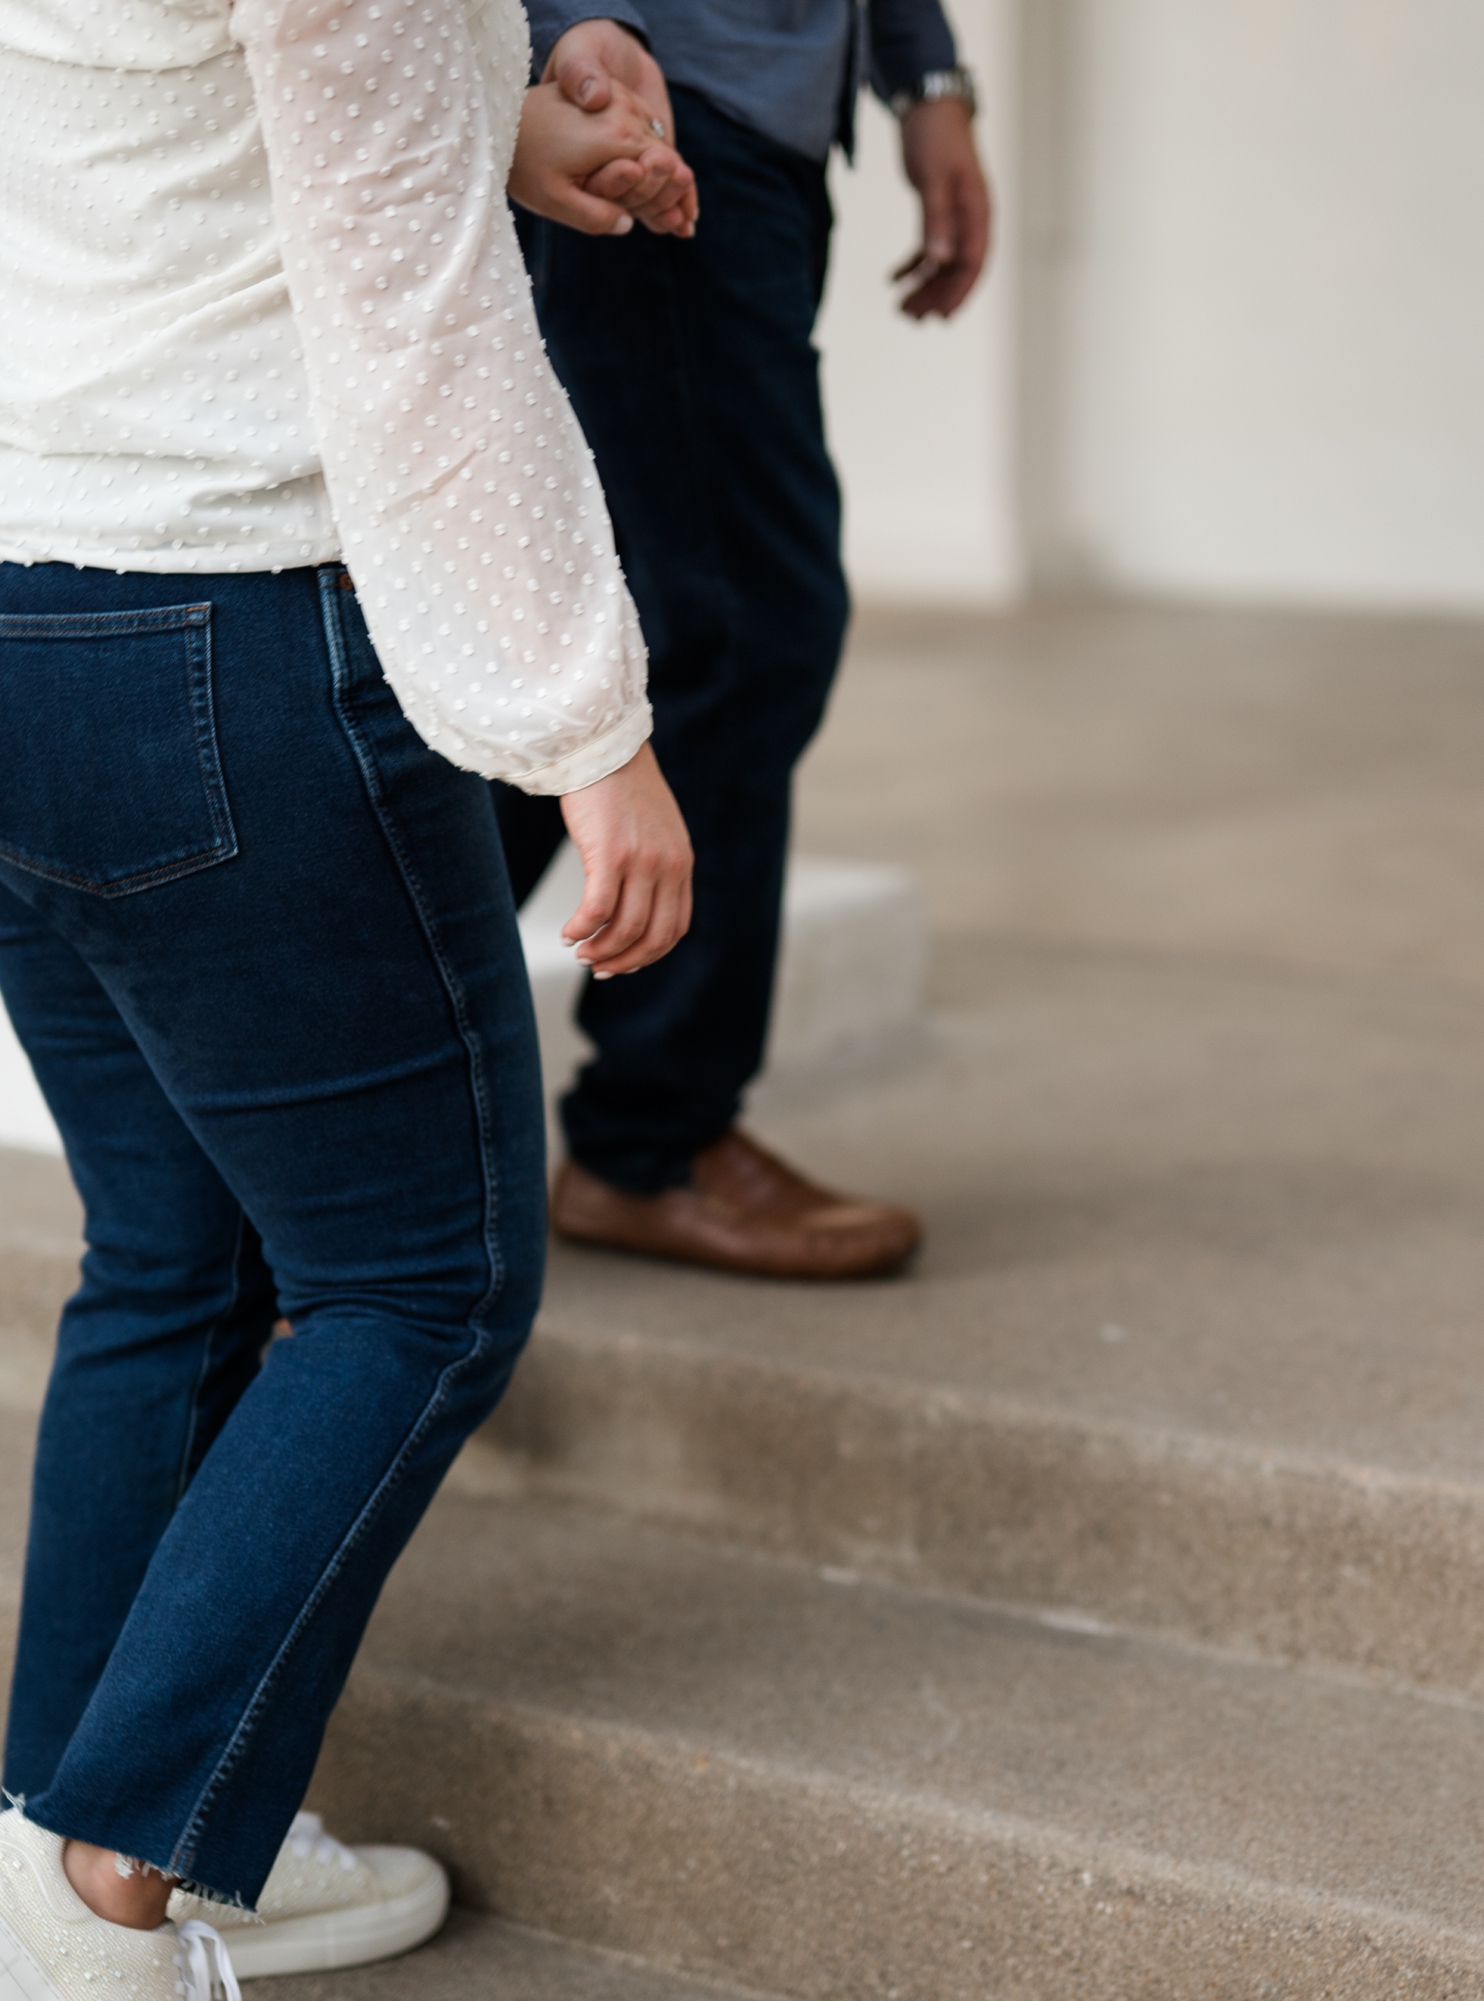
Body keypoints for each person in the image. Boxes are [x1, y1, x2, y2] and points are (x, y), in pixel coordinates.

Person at [0, 0, 693, 1992]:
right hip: (231, 619)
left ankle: (71, 1824)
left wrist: (504, 129)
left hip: (33, 596)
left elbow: (167, 131)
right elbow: (419, 325)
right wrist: (590, 718)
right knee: (424, 1278)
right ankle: (120, 1874)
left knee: (170, 1248)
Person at [494, 0, 991, 1282]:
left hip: (763, 115)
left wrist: (920, 72)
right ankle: (646, 1142)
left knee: (691, 626)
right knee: (728, 628)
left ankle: (349, 1101)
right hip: (655, 96)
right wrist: (573, 24)